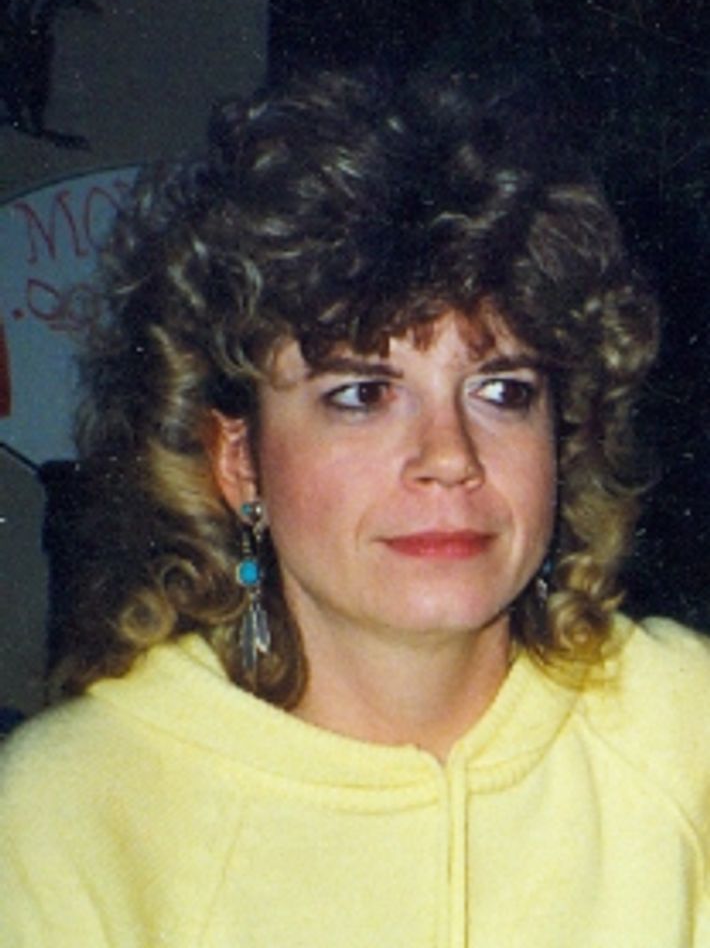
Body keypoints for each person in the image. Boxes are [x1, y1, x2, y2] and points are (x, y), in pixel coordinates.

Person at [1, 69, 709, 947]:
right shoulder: (71, 816)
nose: (449, 457)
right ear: (238, 459)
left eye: (501, 390)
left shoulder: (682, 733)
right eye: (363, 395)